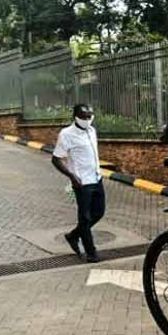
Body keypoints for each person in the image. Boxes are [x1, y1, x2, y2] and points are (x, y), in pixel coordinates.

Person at [52, 104, 105, 263]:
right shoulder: (66, 134)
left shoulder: (92, 131)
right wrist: (72, 176)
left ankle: (73, 235)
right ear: (75, 117)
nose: (88, 119)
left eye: (90, 116)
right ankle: (91, 253)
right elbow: (56, 159)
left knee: (99, 212)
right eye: (84, 117)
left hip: (96, 178)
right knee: (85, 218)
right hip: (82, 183)